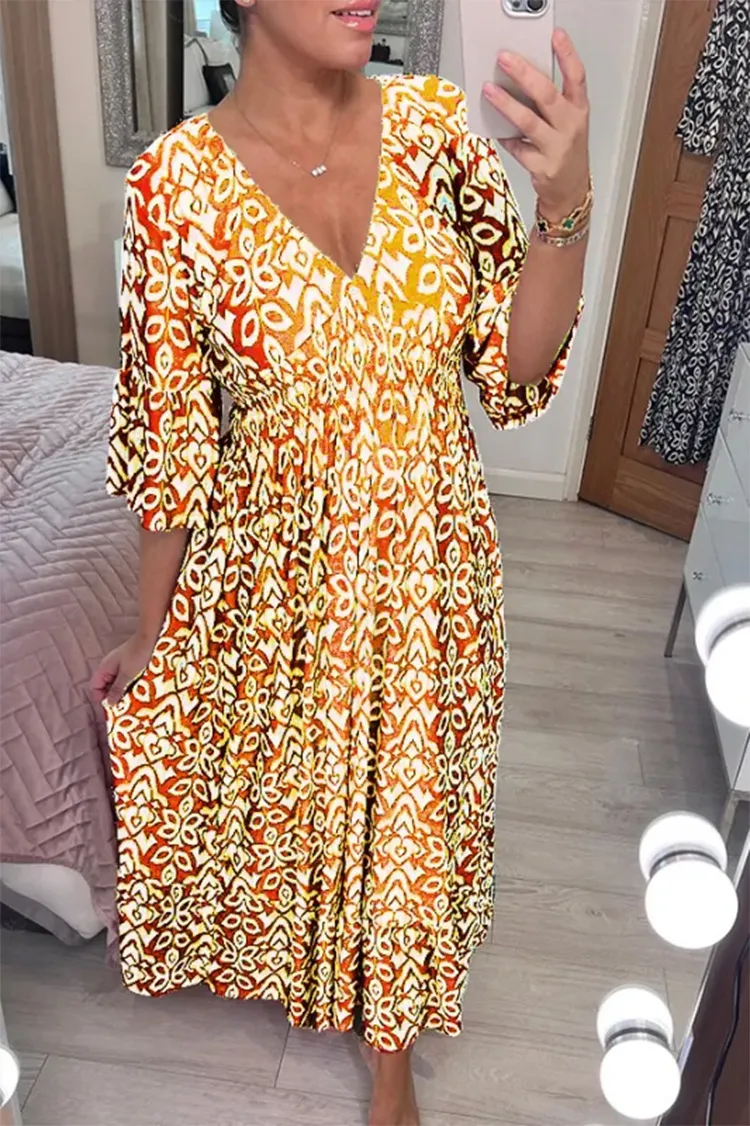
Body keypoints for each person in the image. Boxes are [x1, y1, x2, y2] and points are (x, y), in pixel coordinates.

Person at [92, 2, 590, 1122]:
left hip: (429, 565)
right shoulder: (172, 185)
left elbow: (514, 371)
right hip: (277, 576)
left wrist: (566, 204)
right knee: (313, 801)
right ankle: (323, 978)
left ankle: (393, 1056)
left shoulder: (437, 134)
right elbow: (170, 443)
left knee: (411, 810)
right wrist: (148, 631)